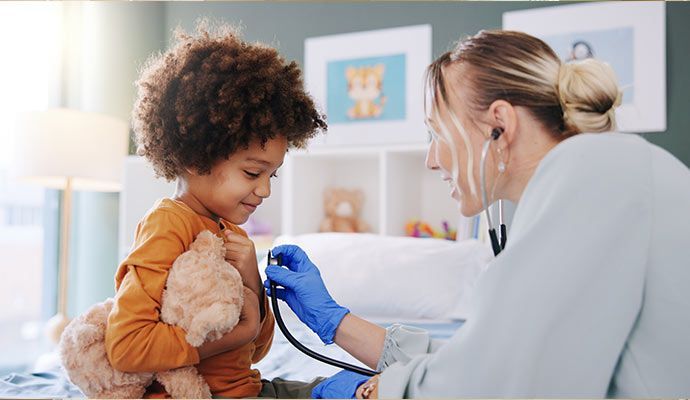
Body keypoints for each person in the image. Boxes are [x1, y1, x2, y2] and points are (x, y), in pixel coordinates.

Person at [264, 30, 690, 398]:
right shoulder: (598, 173)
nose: (432, 159)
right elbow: (484, 360)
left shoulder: (590, 178)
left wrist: (373, 392)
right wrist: (337, 323)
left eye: (436, 132)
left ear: (498, 125)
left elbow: (499, 388)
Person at [104, 21, 326, 398]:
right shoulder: (168, 225)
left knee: (363, 387)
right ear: (197, 156)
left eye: (273, 174)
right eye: (253, 172)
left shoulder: (233, 234)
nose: (266, 189)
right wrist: (238, 332)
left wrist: (252, 282)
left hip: (250, 391)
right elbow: (126, 346)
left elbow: (254, 349)